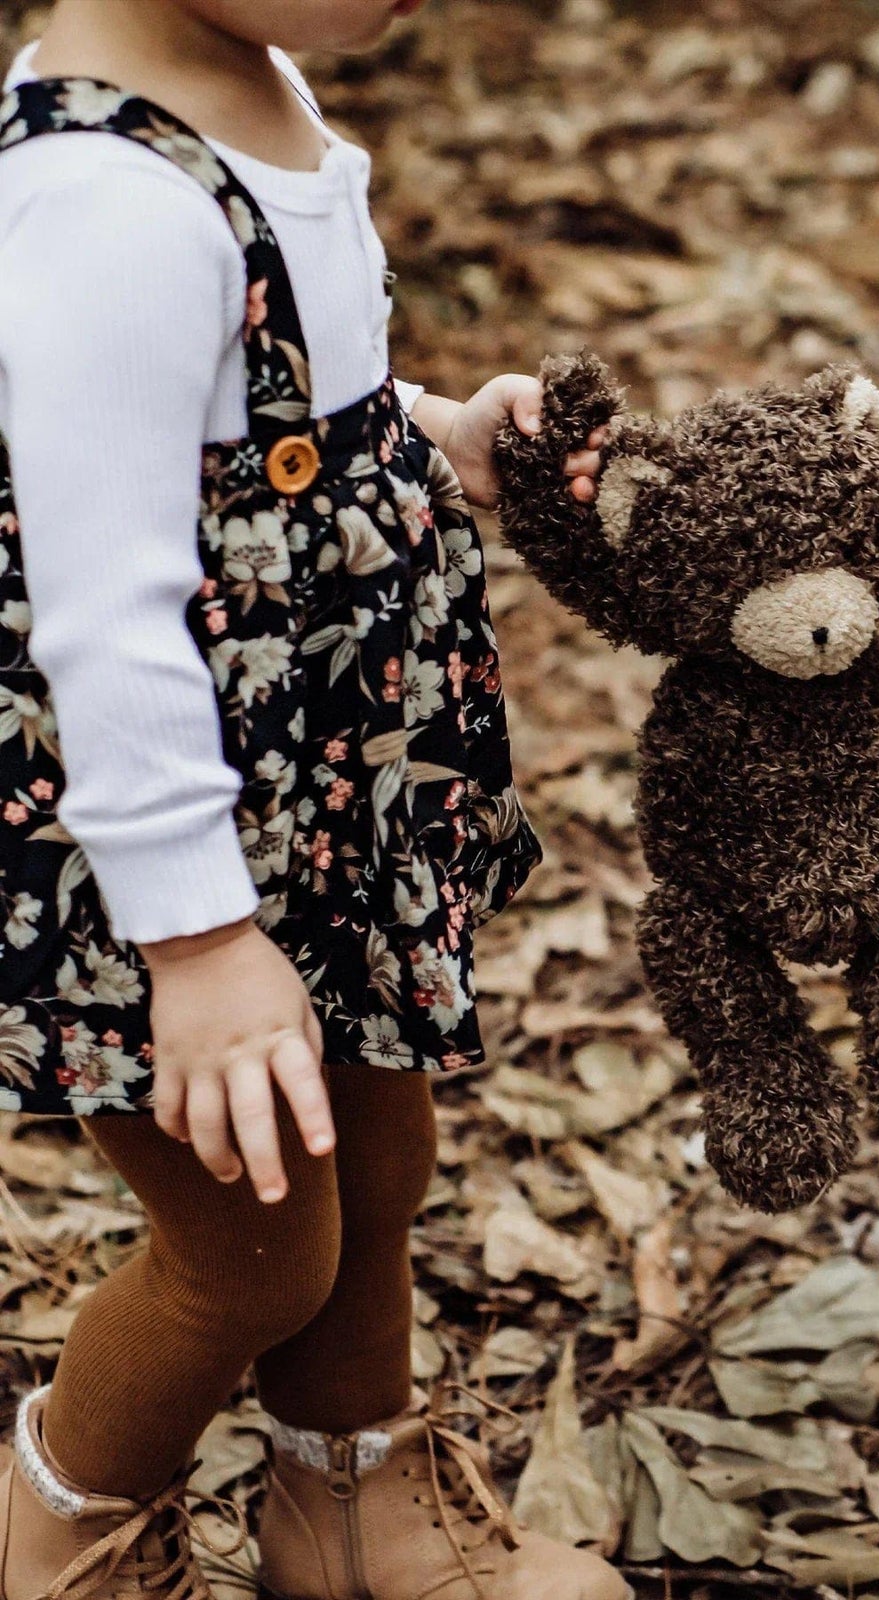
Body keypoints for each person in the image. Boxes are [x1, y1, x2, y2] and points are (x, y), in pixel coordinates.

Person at [0, 1, 625, 1596]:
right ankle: (50, 1541)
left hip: (320, 794)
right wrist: (199, 945)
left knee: (377, 1149)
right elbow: (102, 604)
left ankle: (350, 1513)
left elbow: (268, 408)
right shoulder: (101, 196)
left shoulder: (252, 80)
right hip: (156, 844)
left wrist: (428, 439)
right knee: (253, 1248)